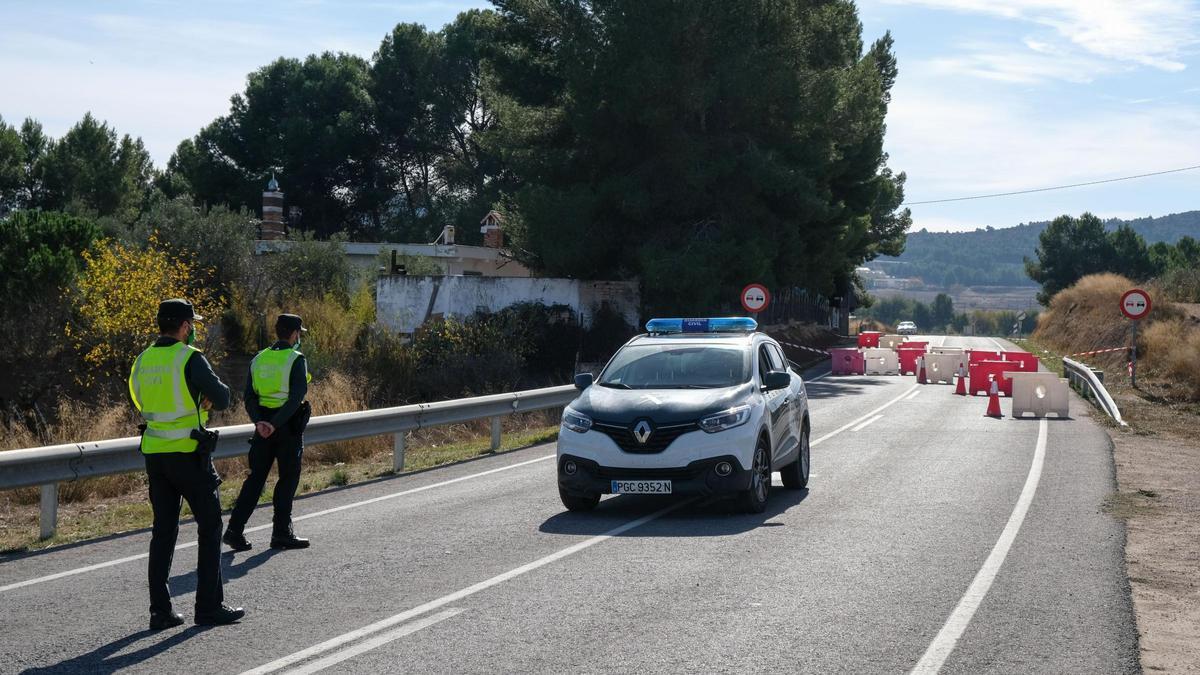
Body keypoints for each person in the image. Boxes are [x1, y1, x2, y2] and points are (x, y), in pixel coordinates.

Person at [129, 299, 245, 629]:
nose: (192, 329)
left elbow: (139, 400)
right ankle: (208, 607)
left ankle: (160, 612)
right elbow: (223, 397)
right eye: (191, 324)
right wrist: (200, 396)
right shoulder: (190, 357)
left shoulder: (142, 360)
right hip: (189, 455)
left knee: (163, 532)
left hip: (155, 455)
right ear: (184, 326)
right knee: (210, 528)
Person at [223, 313, 313, 552]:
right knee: (287, 479)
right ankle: (281, 533)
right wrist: (275, 423)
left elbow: (249, 396)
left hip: (262, 429)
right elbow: (296, 397)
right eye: (298, 334)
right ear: (294, 334)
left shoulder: (259, 358)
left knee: (255, 480)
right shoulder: (296, 358)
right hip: (287, 429)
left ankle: (234, 531)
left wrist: (260, 422)